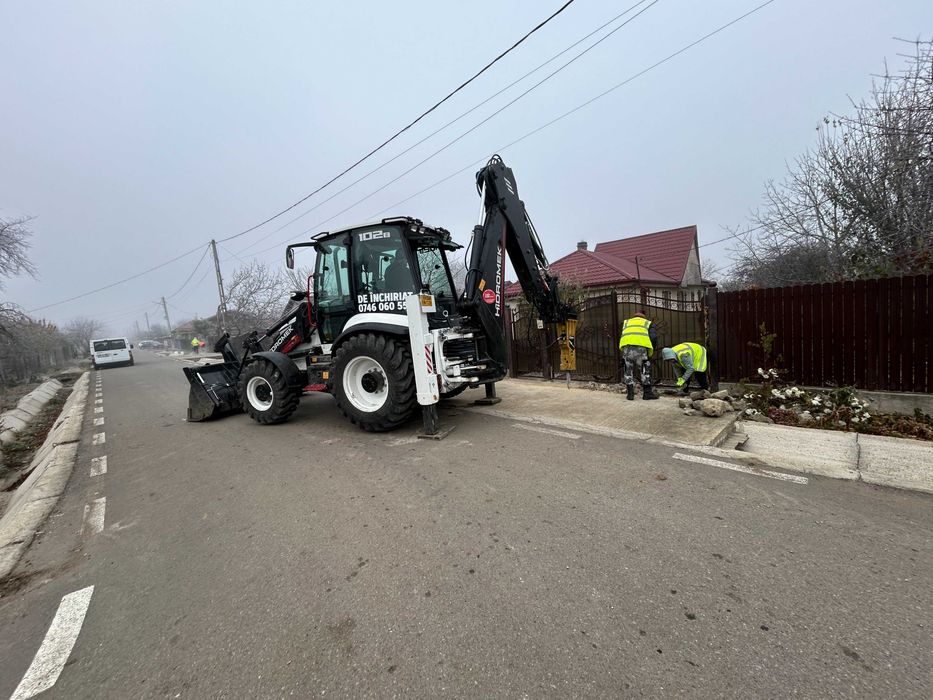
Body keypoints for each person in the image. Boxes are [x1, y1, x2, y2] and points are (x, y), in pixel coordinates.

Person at [618, 311, 659, 401]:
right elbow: (653, 337)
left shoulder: (626, 322)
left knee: (627, 370)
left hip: (627, 348)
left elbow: (624, 335)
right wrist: (650, 351)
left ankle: (630, 394)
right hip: (641, 349)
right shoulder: (648, 323)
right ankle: (647, 393)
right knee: (644, 370)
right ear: (644, 318)